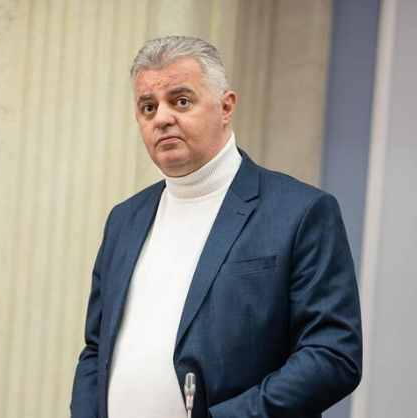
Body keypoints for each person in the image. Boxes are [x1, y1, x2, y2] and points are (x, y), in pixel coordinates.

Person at [70, 36, 362, 418]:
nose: (161, 118)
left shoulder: (300, 212)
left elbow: (333, 354)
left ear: (226, 107)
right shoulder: (124, 220)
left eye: (181, 101)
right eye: (148, 107)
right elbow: (96, 350)